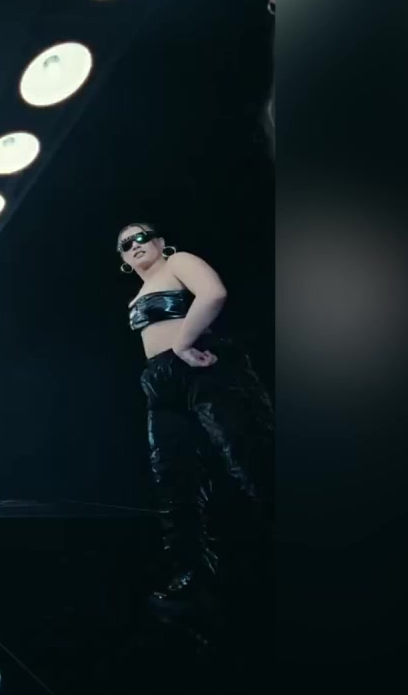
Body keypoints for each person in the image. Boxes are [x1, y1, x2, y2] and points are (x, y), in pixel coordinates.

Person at [117, 223, 273, 620]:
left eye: (141, 237)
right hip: (160, 381)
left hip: (202, 364)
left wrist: (184, 342)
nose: (134, 245)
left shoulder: (178, 262)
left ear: (159, 242)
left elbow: (213, 293)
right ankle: (193, 579)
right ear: (123, 260)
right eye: (125, 244)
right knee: (173, 480)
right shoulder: (136, 295)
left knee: (249, 458)